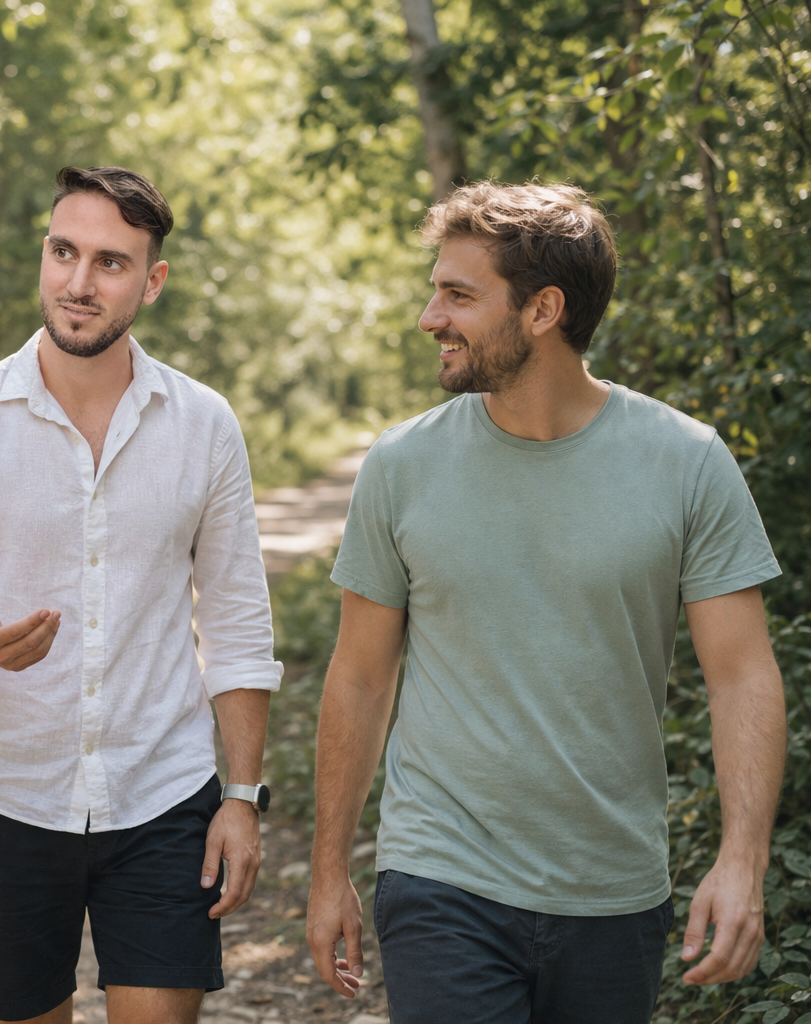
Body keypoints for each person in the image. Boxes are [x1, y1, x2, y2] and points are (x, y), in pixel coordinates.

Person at [306, 181, 786, 1023]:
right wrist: (327, 870)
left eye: (458, 295)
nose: (429, 317)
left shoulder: (686, 462)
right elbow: (360, 677)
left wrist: (742, 859)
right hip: (442, 873)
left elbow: (742, 675)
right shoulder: (402, 466)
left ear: (543, 310)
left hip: (613, 889)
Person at [0, 165, 281, 1024]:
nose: (78, 283)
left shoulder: (205, 424)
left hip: (164, 793)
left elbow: (237, 623)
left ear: (152, 282)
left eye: (110, 262)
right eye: (63, 252)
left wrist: (242, 799)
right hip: (4, 796)